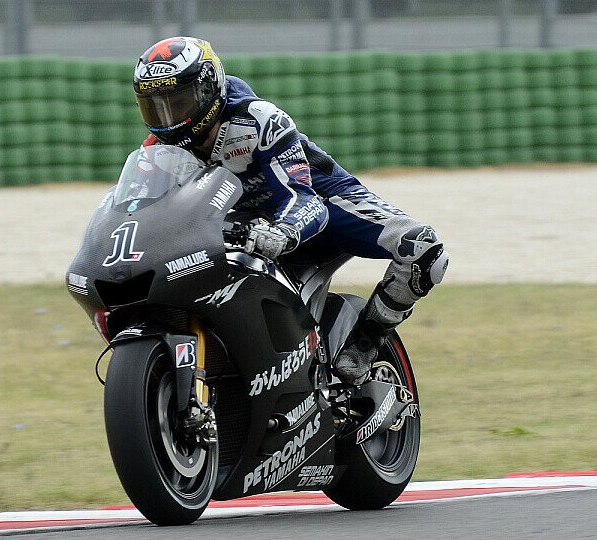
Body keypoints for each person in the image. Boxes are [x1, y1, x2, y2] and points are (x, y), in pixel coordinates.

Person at [133, 36, 449, 385]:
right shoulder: (158, 151)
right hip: (245, 225)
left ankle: (366, 340)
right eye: (156, 108)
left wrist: (282, 231)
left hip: (323, 201)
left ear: (208, 90)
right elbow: (141, 211)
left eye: (178, 103)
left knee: (423, 250)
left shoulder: (259, 120)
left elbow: (305, 198)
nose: (168, 118)